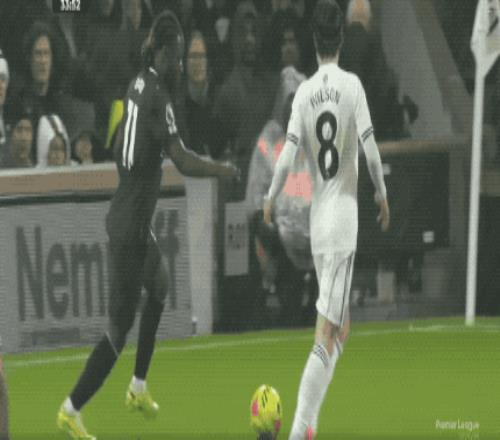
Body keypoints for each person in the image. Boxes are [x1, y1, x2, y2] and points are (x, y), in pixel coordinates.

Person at [56, 10, 238, 440]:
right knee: (118, 331)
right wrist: (222, 170)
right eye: (178, 56)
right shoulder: (160, 98)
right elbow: (183, 160)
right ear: (165, 53)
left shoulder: (137, 83)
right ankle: (70, 409)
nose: (181, 64)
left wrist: (137, 172)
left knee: (159, 285)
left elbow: (120, 141)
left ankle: (137, 387)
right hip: (130, 229)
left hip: (131, 217)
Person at [263, 1, 390, 438]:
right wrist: (382, 193)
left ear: (314, 41)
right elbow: (371, 150)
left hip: (320, 222)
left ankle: (309, 425)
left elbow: (286, 155)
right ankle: (299, 430)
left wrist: (270, 195)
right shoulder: (352, 86)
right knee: (327, 330)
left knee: (341, 327)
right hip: (343, 222)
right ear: (341, 38)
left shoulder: (304, 93)